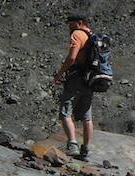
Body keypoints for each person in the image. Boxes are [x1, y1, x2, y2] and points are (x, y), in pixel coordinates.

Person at [53, 12, 95, 159]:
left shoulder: (77, 34)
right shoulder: (92, 36)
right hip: (90, 80)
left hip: (76, 78)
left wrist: (59, 74)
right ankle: (86, 149)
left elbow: (72, 58)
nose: (69, 27)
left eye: (71, 24)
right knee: (87, 116)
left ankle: (72, 145)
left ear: (79, 22)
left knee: (65, 111)